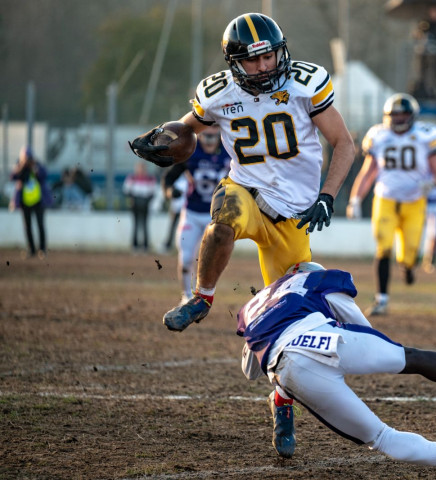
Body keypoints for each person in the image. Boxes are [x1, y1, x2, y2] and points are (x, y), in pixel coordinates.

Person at [129, 13, 355, 459]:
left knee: (290, 323)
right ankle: (202, 297)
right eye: (253, 60)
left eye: (270, 54)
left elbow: (345, 143)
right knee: (223, 218)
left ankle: (281, 402)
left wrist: (328, 196)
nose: (265, 65)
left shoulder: (306, 84)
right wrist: (162, 139)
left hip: (294, 215)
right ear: (235, 63)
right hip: (247, 190)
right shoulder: (216, 92)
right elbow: (185, 130)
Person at [239, 261, 436, 478]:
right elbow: (363, 328)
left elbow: (251, 371)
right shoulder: (313, 281)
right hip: (327, 339)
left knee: (383, 438)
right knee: (413, 358)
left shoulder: (251, 307)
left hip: (287, 368)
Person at [346, 93, 436, 316]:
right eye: (395, 114)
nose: (399, 119)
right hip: (386, 199)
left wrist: (430, 183)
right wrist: (355, 198)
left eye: (403, 114)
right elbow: (369, 171)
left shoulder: (425, 136)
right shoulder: (378, 135)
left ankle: (409, 266)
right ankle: (381, 299)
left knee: (409, 253)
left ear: (412, 116)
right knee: (383, 246)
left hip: (414, 201)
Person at [161, 125, 230, 303]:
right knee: (185, 259)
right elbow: (168, 178)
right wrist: (170, 192)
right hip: (191, 212)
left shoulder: (228, 153)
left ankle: (205, 295)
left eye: (213, 137)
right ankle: (186, 296)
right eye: (206, 136)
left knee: (210, 263)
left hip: (215, 217)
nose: (209, 141)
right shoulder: (190, 152)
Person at [10, 146, 52, 258]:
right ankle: (31, 249)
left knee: (40, 225)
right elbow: (13, 176)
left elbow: (44, 175)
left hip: (38, 201)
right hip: (25, 202)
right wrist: (22, 166)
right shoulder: (20, 167)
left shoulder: (37, 165)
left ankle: (42, 249)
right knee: (27, 227)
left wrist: (35, 169)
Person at [123, 162, 157, 254]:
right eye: (139, 168)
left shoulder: (150, 178)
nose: (141, 170)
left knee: (145, 225)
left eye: (143, 168)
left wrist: (148, 202)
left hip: (145, 202)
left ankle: (145, 246)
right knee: (135, 224)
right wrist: (131, 199)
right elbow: (126, 191)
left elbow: (152, 193)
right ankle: (135, 245)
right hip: (135, 203)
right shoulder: (132, 177)